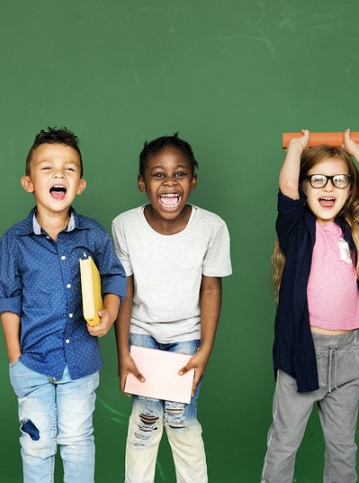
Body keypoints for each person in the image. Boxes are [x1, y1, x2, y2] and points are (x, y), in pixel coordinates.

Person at [261, 129, 359, 482]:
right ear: (305, 189)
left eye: (339, 180)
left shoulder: (354, 229)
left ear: (351, 188)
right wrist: (296, 149)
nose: (328, 188)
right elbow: (286, 189)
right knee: (284, 443)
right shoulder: (296, 229)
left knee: (342, 448)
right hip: (303, 353)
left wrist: (355, 150)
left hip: (349, 354)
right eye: (318, 180)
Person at [0, 126, 127, 482]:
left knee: (77, 440)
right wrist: (13, 357)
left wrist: (110, 313)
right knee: (36, 444)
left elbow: (114, 277)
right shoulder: (14, 240)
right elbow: (7, 299)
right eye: (47, 168)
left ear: (80, 184)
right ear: (29, 183)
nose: (58, 174)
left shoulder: (93, 234)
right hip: (32, 362)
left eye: (69, 168)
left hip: (81, 361)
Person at [112, 134, 232, 483]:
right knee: (146, 418)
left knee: (181, 418)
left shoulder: (211, 228)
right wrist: (123, 351)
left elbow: (211, 288)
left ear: (193, 181)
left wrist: (205, 349)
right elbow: (125, 290)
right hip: (142, 332)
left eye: (179, 174)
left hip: (188, 335)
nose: (169, 182)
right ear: (141, 183)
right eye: (158, 174)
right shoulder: (125, 226)